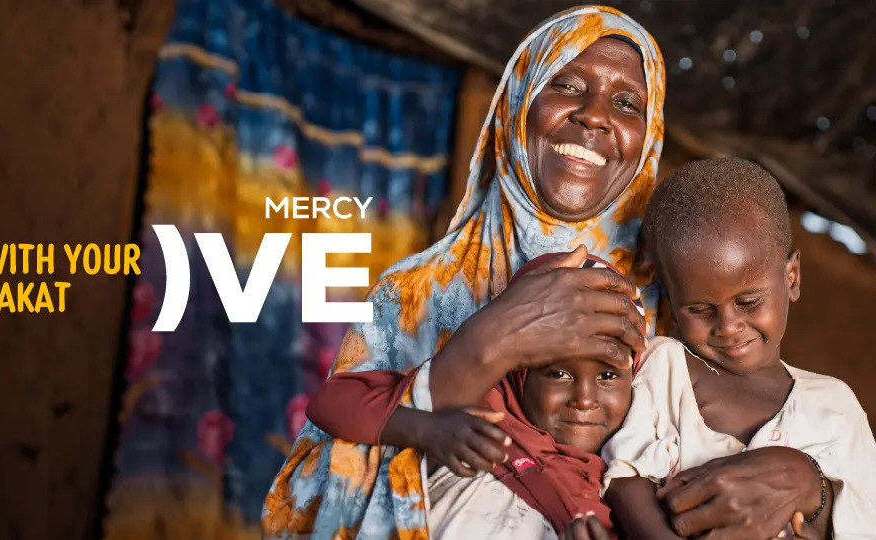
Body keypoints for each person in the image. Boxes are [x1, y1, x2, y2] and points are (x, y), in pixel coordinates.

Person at [263, 6, 825, 539]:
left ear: (649, 135)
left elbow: (750, 465)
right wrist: (485, 346)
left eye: (628, 103)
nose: (595, 116)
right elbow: (306, 504)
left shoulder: (687, 300)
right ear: (517, 103)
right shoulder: (416, 292)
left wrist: (813, 488)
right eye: (567, 86)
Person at [602, 158, 876, 538]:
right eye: (700, 309)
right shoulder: (663, 369)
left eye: (748, 302)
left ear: (792, 278)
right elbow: (625, 477)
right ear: (670, 297)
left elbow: (862, 518)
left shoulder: (835, 408)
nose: (728, 327)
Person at [304, 253, 645, 539]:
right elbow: (328, 403)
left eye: (608, 375)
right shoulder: (484, 415)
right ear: (520, 370)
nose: (584, 399)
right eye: (557, 374)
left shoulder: (629, 478)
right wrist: (428, 429)